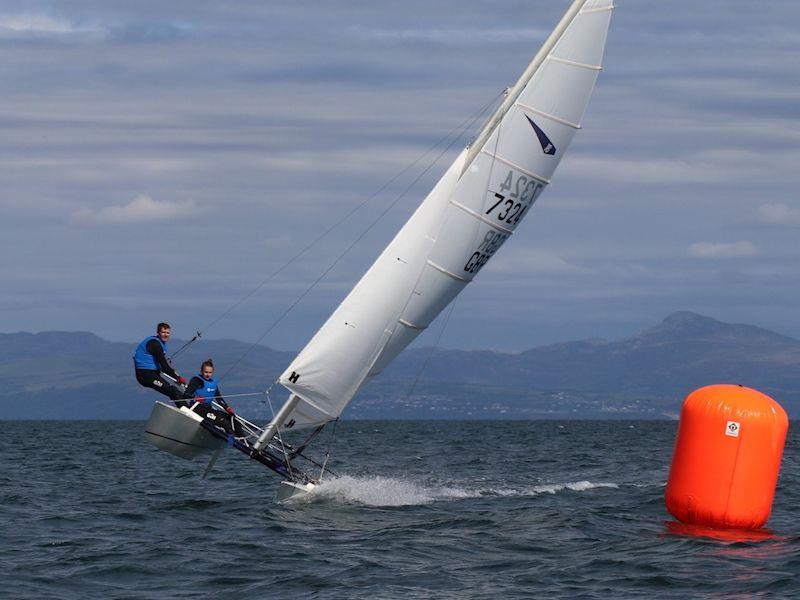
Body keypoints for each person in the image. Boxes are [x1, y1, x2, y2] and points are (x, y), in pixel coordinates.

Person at [185, 359, 245, 439]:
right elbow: (186, 395)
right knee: (223, 422)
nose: (207, 375)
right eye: (206, 372)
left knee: (233, 419)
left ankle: (244, 441)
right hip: (198, 410)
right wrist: (196, 398)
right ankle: (231, 442)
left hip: (208, 409)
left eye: (210, 373)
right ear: (202, 371)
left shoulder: (213, 383)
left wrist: (227, 408)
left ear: (212, 372)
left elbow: (219, 399)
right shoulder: (197, 381)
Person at [133, 322, 186, 404]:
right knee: (173, 391)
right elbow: (164, 367)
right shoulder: (155, 344)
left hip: (153, 374)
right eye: (163, 332)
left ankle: (187, 409)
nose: (166, 335)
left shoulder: (159, 344)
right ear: (158, 333)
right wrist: (177, 378)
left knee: (173, 391)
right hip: (145, 375)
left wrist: (177, 377)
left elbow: (163, 366)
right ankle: (187, 409)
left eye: (168, 333)